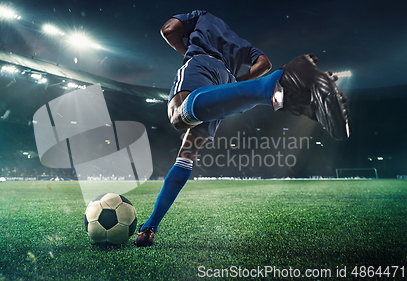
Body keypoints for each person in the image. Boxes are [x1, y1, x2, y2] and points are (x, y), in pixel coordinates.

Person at [134, 10, 349, 247]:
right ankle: (150, 225)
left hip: (201, 64)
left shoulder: (201, 16)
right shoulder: (243, 44)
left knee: (178, 117)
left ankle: (272, 84)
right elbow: (263, 62)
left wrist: (187, 51)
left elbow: (169, 29)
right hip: (224, 83)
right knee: (187, 154)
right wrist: (237, 81)